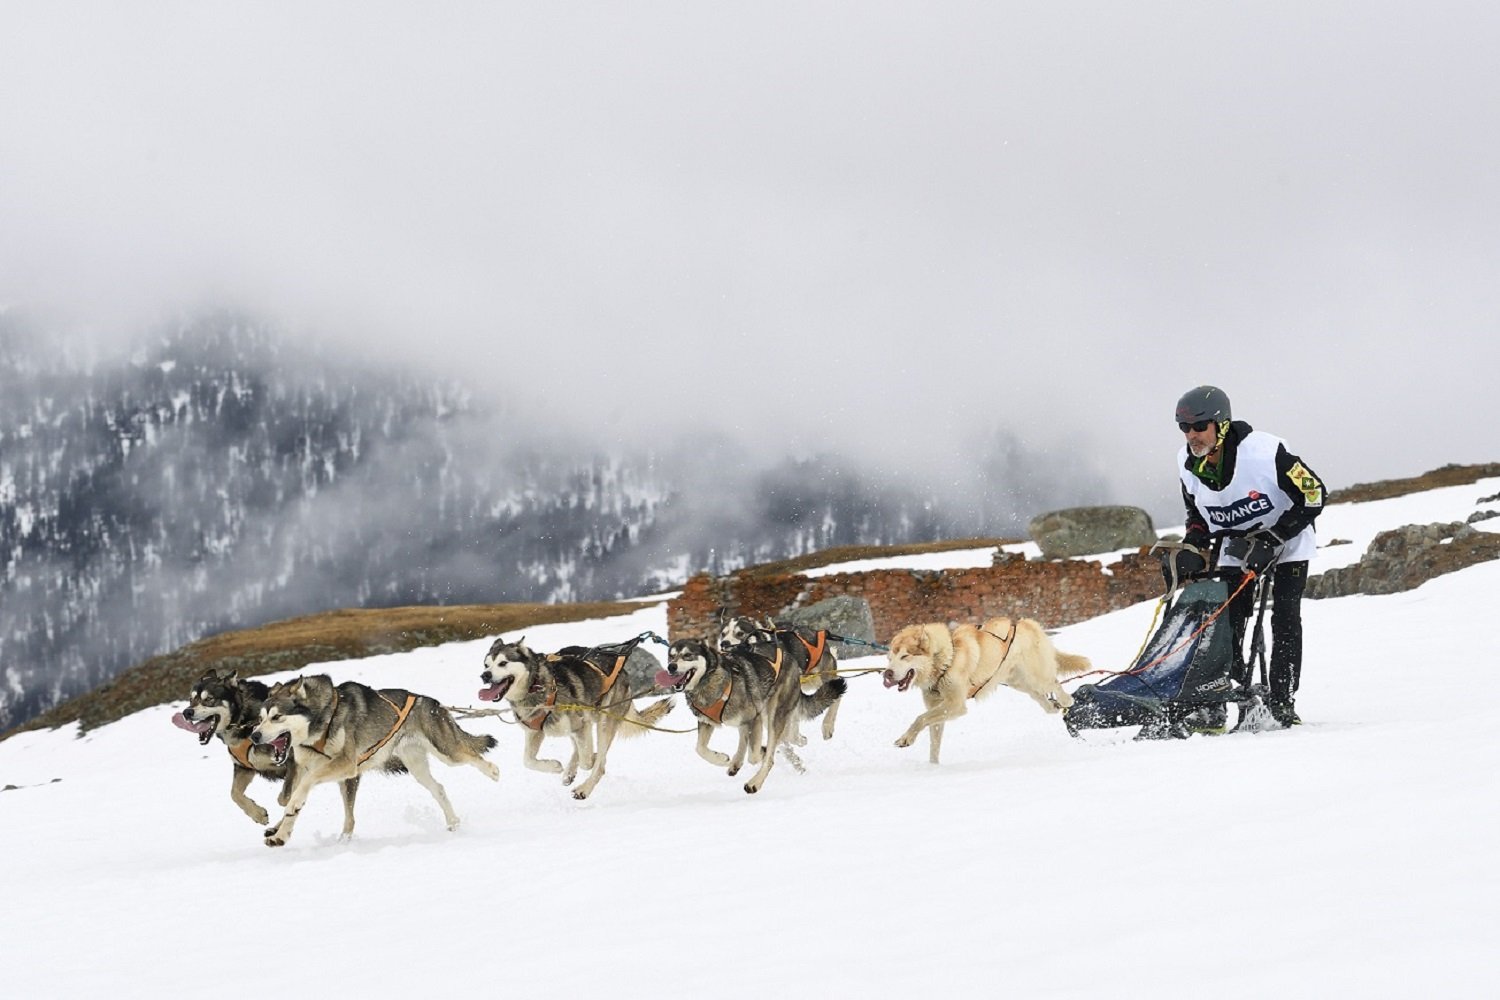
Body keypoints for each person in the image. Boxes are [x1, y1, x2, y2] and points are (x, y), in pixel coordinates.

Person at [1167, 385, 1326, 729]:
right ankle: (1223, 698)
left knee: (1284, 619)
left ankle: (1281, 701)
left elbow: (1314, 494)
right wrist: (1194, 545)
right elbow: (1196, 512)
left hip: (1286, 539)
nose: (1191, 435)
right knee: (1227, 621)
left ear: (1221, 424)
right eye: (1184, 428)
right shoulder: (1187, 463)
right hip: (1236, 542)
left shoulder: (1266, 453)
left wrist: (1275, 537)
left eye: (1199, 426)